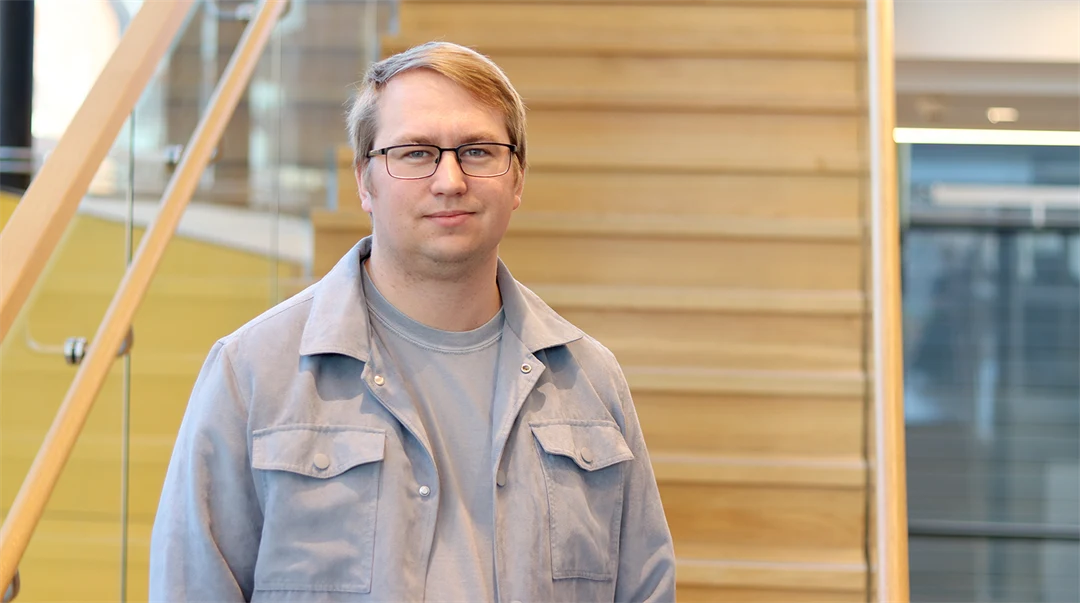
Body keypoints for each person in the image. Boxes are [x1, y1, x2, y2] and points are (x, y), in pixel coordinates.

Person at [149, 41, 676, 603]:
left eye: (477, 151)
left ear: (517, 180)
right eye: (416, 153)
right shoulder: (252, 372)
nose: (449, 180)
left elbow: (645, 588)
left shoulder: (591, 383)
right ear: (364, 180)